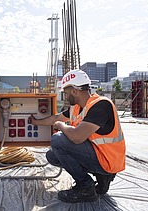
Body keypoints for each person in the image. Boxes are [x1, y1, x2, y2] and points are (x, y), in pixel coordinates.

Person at [29, 69, 126, 203]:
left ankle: (86, 187)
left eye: (66, 93)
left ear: (74, 91)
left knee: (58, 140)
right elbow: (56, 117)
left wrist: (61, 126)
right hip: (97, 154)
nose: (66, 96)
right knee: (52, 155)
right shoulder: (76, 108)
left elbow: (77, 137)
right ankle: (102, 176)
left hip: (108, 158)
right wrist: (35, 122)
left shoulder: (101, 105)